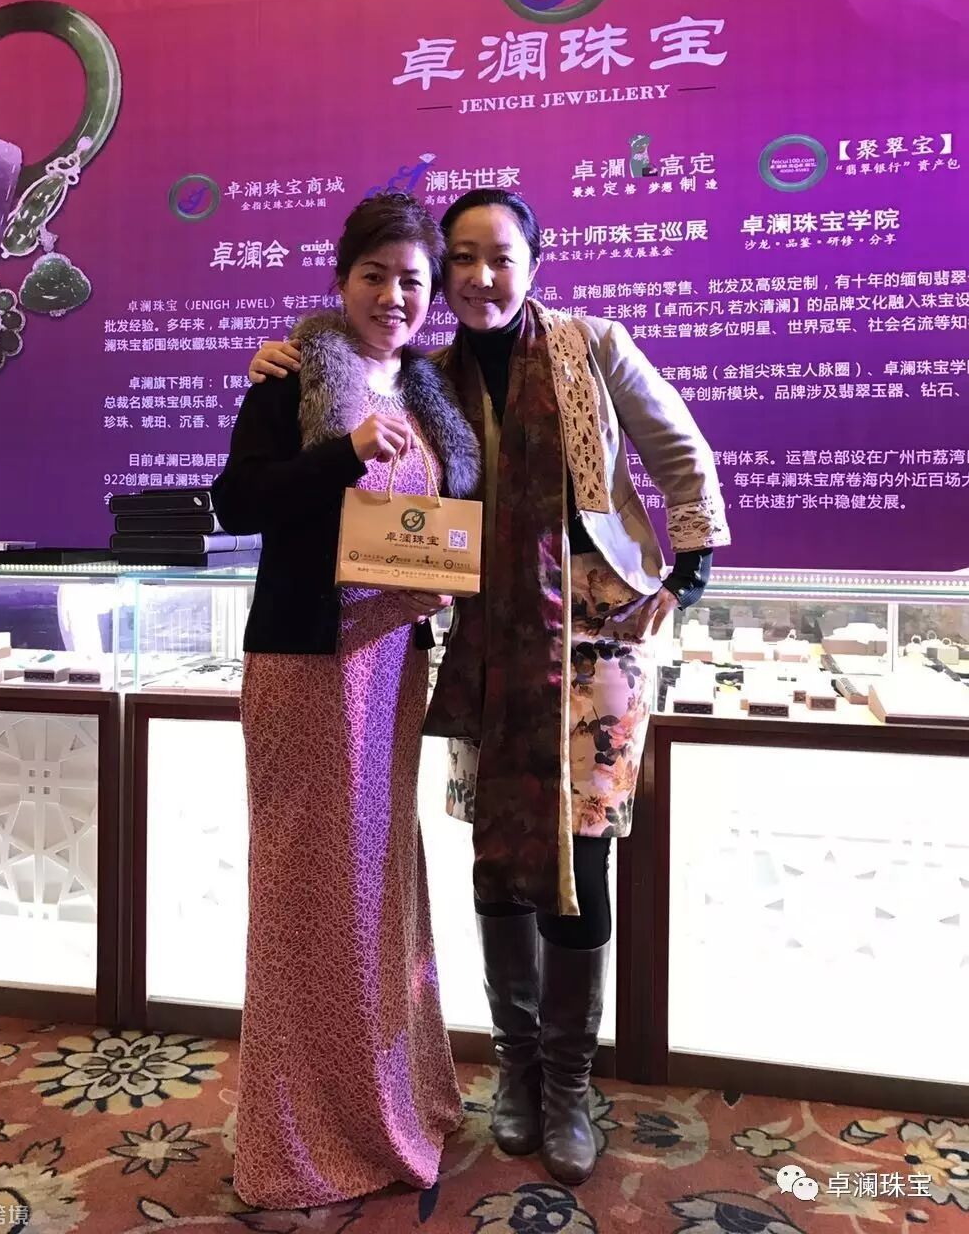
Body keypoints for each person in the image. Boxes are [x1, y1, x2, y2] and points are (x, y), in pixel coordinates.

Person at [248, 187, 729, 1188]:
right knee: (496, 852)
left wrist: (685, 571)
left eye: (497, 257)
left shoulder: (593, 345)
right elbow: (349, 395)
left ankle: (567, 1084)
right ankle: (515, 1069)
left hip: (594, 639)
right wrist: (286, 356)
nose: (477, 278)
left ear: (533, 264)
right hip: (486, 642)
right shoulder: (432, 375)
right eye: (459, 260)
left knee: (581, 850)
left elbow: (679, 449)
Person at [212, 191, 480, 1210]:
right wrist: (343, 451)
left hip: (392, 663)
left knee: (378, 882)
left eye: (413, 280)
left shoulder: (431, 391)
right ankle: (300, 1134)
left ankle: (390, 1097)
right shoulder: (293, 377)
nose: (394, 296)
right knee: (303, 890)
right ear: (341, 280)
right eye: (376, 275)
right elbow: (238, 499)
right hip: (307, 662)